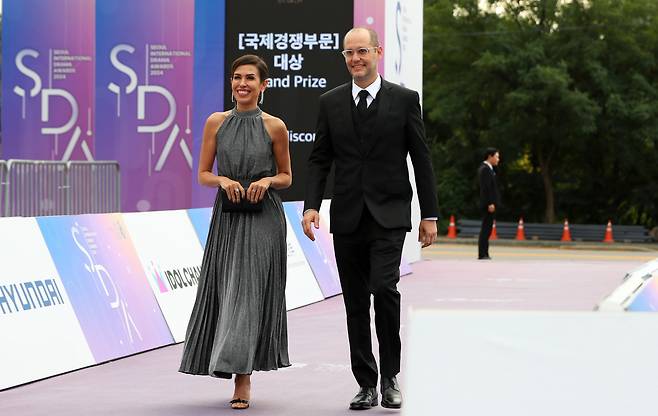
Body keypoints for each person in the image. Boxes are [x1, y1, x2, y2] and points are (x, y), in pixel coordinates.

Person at [302, 27, 439, 410]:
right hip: (346, 217)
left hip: (390, 215)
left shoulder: (405, 100)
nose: (355, 59)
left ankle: (390, 377)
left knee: (385, 289)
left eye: (361, 51)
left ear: (377, 52)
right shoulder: (330, 103)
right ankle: (365, 383)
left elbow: (421, 158)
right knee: (355, 303)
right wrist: (312, 204)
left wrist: (429, 214)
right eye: (348, 53)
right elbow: (319, 159)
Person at [179, 54, 292, 410]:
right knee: (227, 292)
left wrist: (267, 179)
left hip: (264, 219)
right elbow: (203, 174)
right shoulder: (216, 122)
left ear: (263, 85)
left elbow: (287, 177)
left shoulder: (276, 127)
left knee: (247, 294)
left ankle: (242, 380)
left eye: (250, 78)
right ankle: (228, 363)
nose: (242, 84)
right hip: (227, 217)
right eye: (237, 77)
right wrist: (223, 179)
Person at [478, 147, 500, 260]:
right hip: (488, 204)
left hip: (489, 204)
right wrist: (490, 203)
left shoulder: (489, 169)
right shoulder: (485, 169)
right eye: (496, 156)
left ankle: (485, 253)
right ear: (490, 156)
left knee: (488, 228)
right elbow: (486, 188)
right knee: (486, 229)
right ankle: (482, 254)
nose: (498, 159)